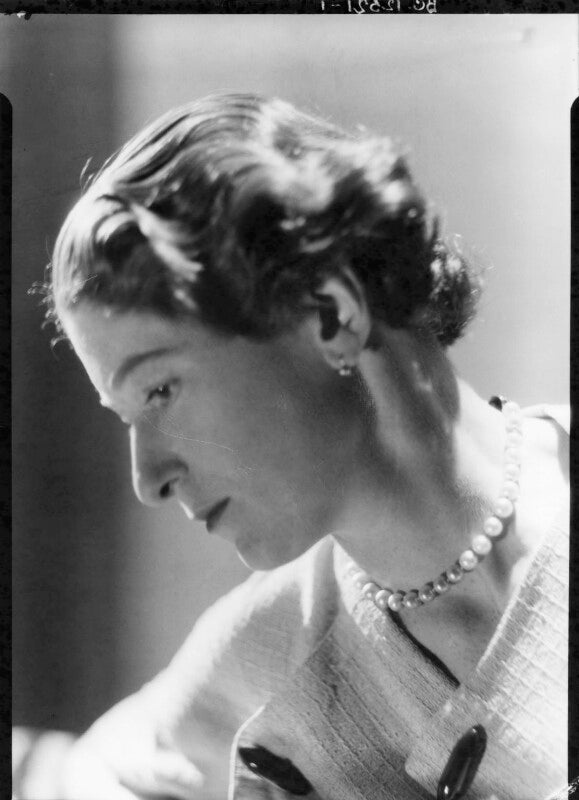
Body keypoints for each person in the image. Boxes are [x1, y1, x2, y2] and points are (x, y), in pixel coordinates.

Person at [41, 92, 569, 799]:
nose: (148, 477)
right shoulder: (277, 639)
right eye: (126, 415)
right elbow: (100, 767)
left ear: (330, 314)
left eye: (159, 390)